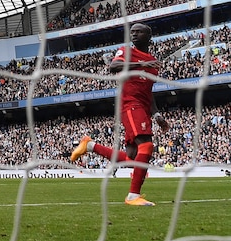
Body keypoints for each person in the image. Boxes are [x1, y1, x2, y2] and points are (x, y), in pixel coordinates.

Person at [70, 23, 170, 206]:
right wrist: (141, 64)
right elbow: (114, 66)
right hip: (130, 104)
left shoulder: (153, 65)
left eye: (139, 32)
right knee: (146, 146)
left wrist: (156, 115)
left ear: (149, 36)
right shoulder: (126, 51)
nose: (134, 35)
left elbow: (148, 92)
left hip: (143, 107)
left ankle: (90, 145)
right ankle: (133, 195)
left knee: (132, 159)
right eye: (132, 32)